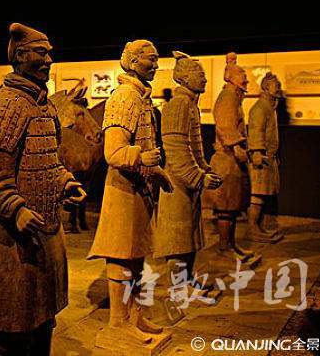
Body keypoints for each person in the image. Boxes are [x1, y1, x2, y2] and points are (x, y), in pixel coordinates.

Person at [0, 23, 86, 355]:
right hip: (11, 240)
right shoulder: (2, 105)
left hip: (43, 234)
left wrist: (65, 182)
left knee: (41, 323)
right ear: (20, 55)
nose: (49, 59)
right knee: (8, 333)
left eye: (49, 53)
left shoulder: (42, 105)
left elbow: (47, 160)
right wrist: (16, 209)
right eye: (41, 53)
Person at [88, 39, 174, 347]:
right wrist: (142, 157)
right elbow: (113, 152)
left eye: (157, 59)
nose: (156, 65)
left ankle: (134, 315)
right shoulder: (124, 97)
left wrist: (157, 171)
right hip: (123, 190)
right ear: (134, 62)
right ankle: (117, 322)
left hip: (139, 189)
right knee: (121, 256)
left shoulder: (140, 96)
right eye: (151, 59)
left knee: (136, 257)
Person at [153, 51, 222, 302]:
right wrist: (199, 177)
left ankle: (186, 280)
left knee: (190, 237)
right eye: (199, 73)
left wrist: (205, 169)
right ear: (183, 78)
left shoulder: (190, 105)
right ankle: (177, 290)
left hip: (187, 184)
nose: (204, 78)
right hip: (177, 184)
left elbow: (194, 147)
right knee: (178, 240)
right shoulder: (178, 105)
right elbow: (177, 152)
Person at [202, 53, 259, 267]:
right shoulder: (228, 97)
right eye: (242, 74)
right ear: (232, 78)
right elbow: (225, 125)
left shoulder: (234, 97)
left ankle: (231, 245)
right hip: (226, 159)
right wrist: (236, 147)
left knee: (233, 207)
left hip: (232, 159)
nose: (246, 79)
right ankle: (224, 248)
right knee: (226, 207)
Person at [246, 72, 284, 243]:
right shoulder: (260, 108)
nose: (279, 87)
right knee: (258, 193)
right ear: (266, 87)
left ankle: (258, 227)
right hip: (260, 157)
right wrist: (256, 152)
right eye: (276, 85)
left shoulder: (269, 106)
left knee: (264, 193)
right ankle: (253, 229)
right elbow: (256, 130)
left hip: (268, 157)